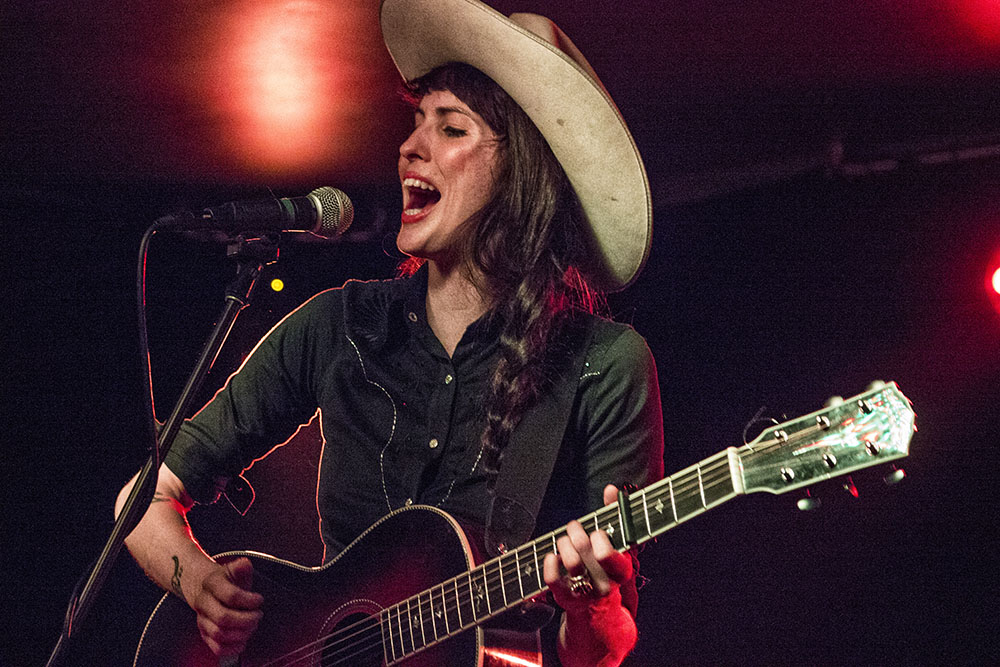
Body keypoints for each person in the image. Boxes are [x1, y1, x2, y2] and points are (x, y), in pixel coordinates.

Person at [116, 0, 664, 664]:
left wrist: (596, 605)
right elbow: (143, 499)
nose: (410, 146)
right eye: (415, 122)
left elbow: (605, 648)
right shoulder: (336, 325)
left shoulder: (605, 364)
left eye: (451, 128)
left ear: (522, 174)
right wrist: (202, 585)